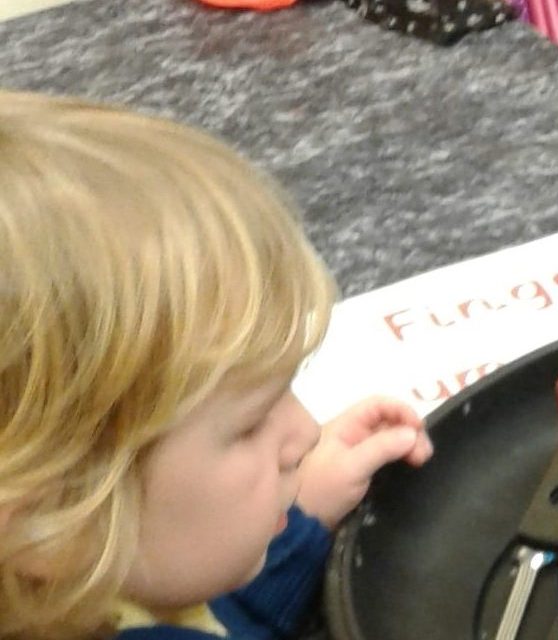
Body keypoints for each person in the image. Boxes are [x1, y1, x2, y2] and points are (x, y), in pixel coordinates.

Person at [0, 91, 435, 639]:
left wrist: (294, 525)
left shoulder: (78, 582)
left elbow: (203, 601)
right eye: (249, 425)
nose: (303, 434)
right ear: (51, 525)